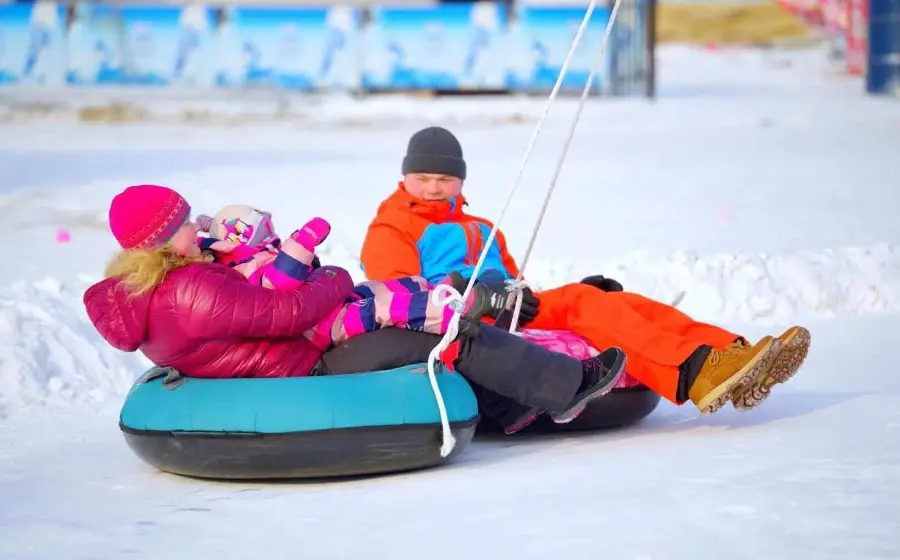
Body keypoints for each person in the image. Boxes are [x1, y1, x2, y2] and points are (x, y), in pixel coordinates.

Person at [82, 184, 626, 431]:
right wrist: (339, 276)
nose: (198, 228)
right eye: (185, 225)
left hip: (292, 356)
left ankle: (508, 407)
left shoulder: (156, 291)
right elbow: (287, 313)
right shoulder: (191, 288)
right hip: (307, 362)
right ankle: (566, 386)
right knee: (443, 335)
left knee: (425, 331)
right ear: (157, 242)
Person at [359, 126, 811, 421]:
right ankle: (696, 374)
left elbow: (515, 282)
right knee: (581, 303)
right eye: (424, 178)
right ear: (405, 178)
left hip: (508, 308)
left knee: (616, 301)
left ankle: (732, 354)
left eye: (445, 179)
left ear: (461, 181)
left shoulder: (479, 227)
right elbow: (402, 299)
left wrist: (516, 293)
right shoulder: (392, 226)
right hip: (465, 322)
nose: (434, 187)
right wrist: (478, 295)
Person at [191, 203, 531, 350]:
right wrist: (301, 242)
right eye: (266, 229)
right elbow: (279, 285)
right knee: (385, 308)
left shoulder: (254, 257)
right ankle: (458, 312)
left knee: (377, 289)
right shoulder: (246, 266)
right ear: (244, 236)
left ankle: (438, 289)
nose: (273, 234)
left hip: (327, 307)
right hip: (325, 327)